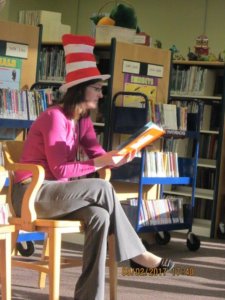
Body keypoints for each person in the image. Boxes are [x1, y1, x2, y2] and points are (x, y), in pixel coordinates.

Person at [12, 34, 174, 300]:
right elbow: (62, 169)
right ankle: (138, 255)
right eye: (97, 88)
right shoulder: (54, 118)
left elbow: (97, 154)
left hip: (59, 195)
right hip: (32, 194)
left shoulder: (82, 120)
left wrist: (120, 156)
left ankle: (90, 296)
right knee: (101, 187)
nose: (101, 94)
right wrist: (100, 162)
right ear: (80, 89)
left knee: (99, 215)